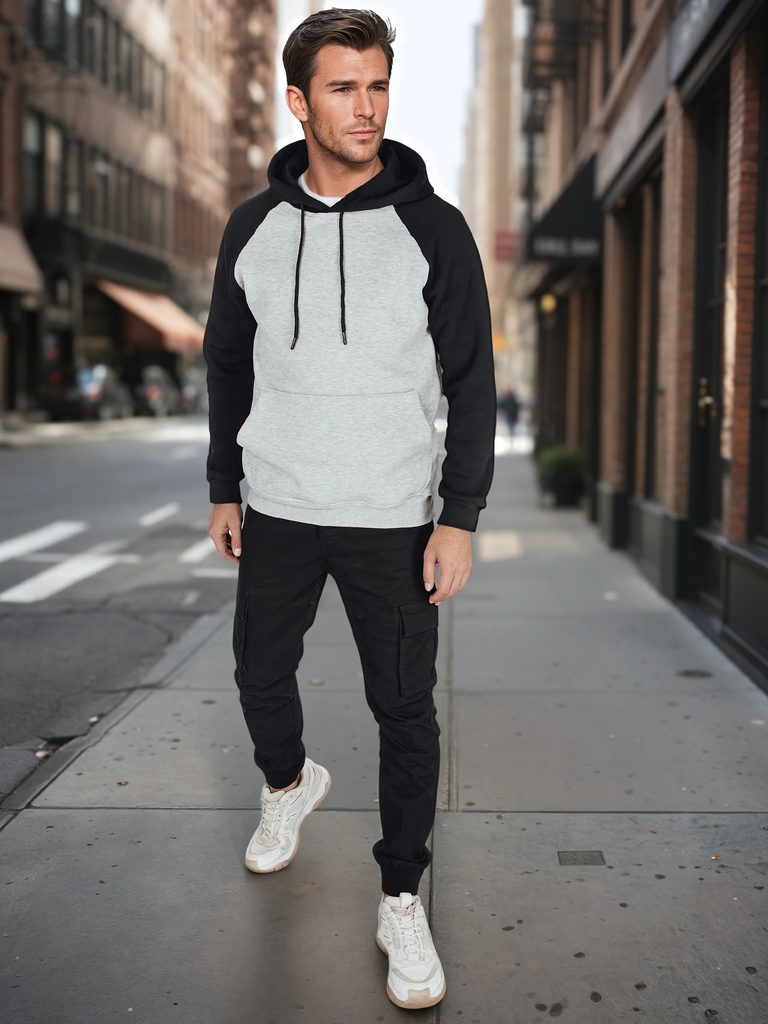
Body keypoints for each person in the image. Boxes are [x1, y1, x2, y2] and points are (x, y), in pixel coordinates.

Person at [203, 7, 496, 1011]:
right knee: (257, 671)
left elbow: (472, 380)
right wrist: (223, 484)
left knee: (403, 710)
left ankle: (401, 896)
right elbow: (228, 364)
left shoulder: (434, 228)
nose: (366, 106)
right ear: (299, 101)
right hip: (280, 503)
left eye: (377, 86)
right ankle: (288, 783)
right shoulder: (252, 227)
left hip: (394, 515)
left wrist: (459, 514)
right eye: (343, 87)